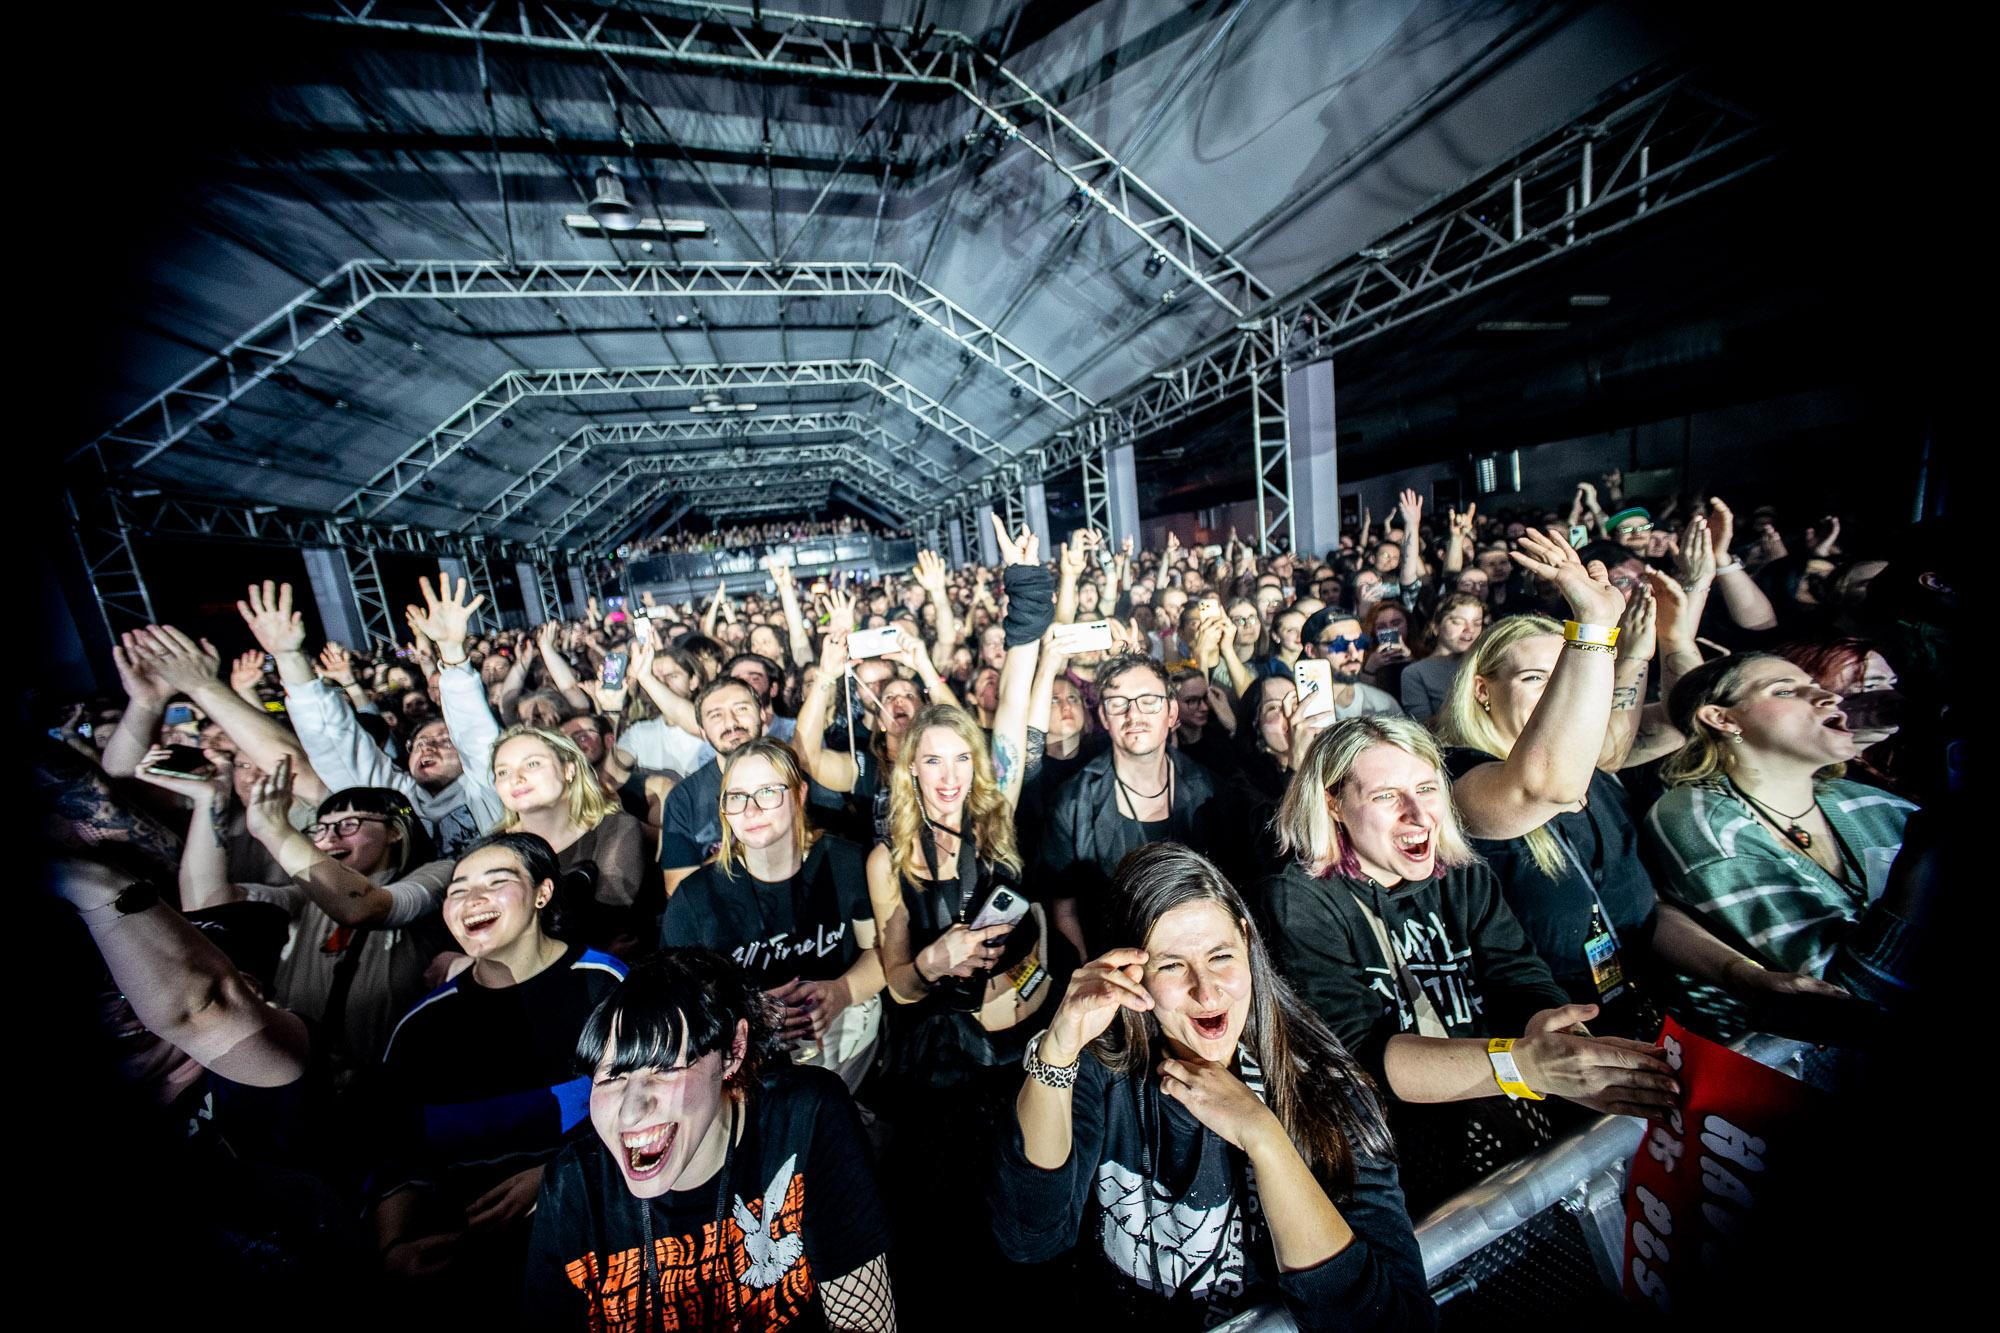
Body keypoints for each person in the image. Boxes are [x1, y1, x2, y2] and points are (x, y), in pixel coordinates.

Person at [993, 843, 1434, 1331]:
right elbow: (1031, 1238)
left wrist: (1264, 1138)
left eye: (1220, 956)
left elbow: (1398, 1323)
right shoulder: (1104, 1070)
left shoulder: (1324, 1087)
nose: (1206, 991)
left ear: (1246, 941)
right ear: (1131, 974)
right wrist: (1056, 1051)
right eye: (1171, 965)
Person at [1260, 717, 1678, 1212]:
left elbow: (1518, 976)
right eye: (1386, 796)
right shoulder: (1301, 901)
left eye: (1426, 788)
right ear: (1333, 803)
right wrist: (1522, 1064)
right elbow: (1358, 1055)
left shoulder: (1461, 875)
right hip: (1407, 1169)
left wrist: (1555, 1031)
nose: (1418, 814)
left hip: (1506, 1135)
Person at [525, 950, 896, 1331]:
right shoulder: (575, 1186)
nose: (631, 1111)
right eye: (612, 1076)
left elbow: (866, 1322)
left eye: (666, 1069)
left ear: (732, 1051)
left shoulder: (802, 1119)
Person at [373, 832, 627, 1314]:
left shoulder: (607, 986)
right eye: (458, 890)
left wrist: (558, 1176)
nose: (473, 899)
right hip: (466, 1270)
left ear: (542, 893)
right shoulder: (421, 1026)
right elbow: (396, 1154)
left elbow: (654, 1114)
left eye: (496, 882)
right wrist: (395, 1249)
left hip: (597, 1245)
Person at [1644, 653, 1922, 1005]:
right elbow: (1849, 993)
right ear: (1722, 718)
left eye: (1817, 686)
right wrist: (1921, 866)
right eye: (1785, 691)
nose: (1829, 697)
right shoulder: (1704, 819)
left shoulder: (1875, 805)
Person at [661, 740, 886, 1090]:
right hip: (744, 1068)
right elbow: (674, 1004)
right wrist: (748, 1014)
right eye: (737, 797)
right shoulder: (696, 897)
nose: (751, 810)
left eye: (767, 792)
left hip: (843, 1052)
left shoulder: (844, 864)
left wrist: (843, 990)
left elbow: (881, 953)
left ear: (799, 795)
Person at [245, 581, 494, 856]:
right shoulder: (396, 798)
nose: (428, 748)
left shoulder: (487, 788)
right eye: (420, 743)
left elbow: (474, 732)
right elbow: (337, 743)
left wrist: (452, 654)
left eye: (445, 741)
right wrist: (288, 656)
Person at [1040, 651, 1232, 959]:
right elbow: (1065, 910)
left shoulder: (1211, 791)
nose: (1134, 714)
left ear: (1171, 713)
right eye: (1119, 703)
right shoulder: (1072, 802)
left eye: (1149, 701)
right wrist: (1090, 972)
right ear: (1104, 717)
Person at [659, 677, 769, 894]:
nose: (731, 723)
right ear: (702, 731)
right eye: (716, 715)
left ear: (762, 715)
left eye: (741, 708)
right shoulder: (684, 798)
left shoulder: (792, 776)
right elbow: (677, 890)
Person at [1299, 608, 1402, 719]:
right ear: (1312, 651)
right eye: (1339, 644)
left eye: (1360, 642)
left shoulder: (1384, 705)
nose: (1354, 654)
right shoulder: (1298, 708)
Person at [1398, 593, 1485, 724]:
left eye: (1477, 623)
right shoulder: (1415, 673)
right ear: (1435, 627)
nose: (1470, 629)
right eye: (1457, 622)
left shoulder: (1487, 662)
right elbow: (1421, 726)